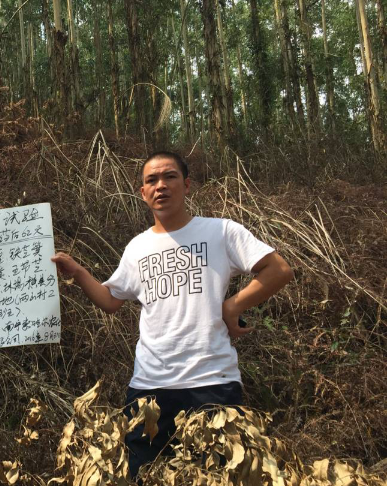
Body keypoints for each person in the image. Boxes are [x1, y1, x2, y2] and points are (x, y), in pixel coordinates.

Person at [51, 150, 294, 480]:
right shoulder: (137, 247)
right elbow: (110, 300)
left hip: (212, 382)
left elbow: (277, 270)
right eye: (151, 180)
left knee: (217, 476)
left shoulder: (220, 232)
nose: (160, 186)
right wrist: (78, 272)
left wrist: (232, 306)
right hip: (149, 388)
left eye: (170, 177)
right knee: (141, 474)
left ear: (187, 185)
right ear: (142, 192)